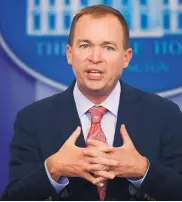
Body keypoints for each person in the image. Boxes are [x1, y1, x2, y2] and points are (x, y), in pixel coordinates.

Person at [1, 4, 182, 201]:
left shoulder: (165, 115)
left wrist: (143, 170)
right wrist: (52, 169)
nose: (95, 58)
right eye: (85, 45)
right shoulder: (32, 119)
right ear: (70, 54)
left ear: (126, 57)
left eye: (108, 47)